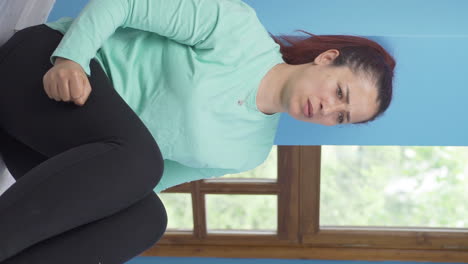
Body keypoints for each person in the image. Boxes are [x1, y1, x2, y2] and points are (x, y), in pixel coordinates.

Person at [0, 0, 395, 263]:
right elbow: (125, 2)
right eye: (339, 92)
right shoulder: (238, 29)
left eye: (341, 118)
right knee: (141, 163)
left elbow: (133, 190)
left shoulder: (250, 151)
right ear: (326, 59)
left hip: (44, 147)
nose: (330, 109)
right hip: (38, 75)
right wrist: (71, 58)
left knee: (147, 219)